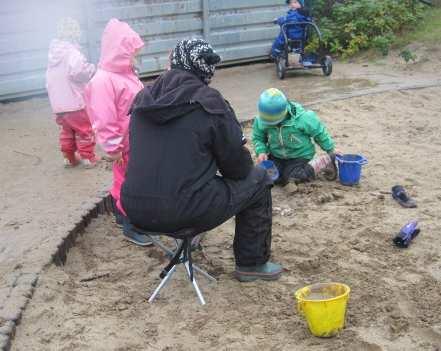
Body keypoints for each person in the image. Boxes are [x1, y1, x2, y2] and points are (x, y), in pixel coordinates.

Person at [121, 39, 283, 282]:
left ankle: (191, 236)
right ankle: (252, 263)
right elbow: (238, 170)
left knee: (186, 179)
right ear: (205, 70)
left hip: (135, 210)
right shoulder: (209, 102)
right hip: (183, 211)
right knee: (259, 178)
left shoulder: (143, 99)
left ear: (173, 63)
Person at [84, 18, 151, 246]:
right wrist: (113, 147)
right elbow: (104, 118)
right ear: (119, 51)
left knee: (128, 179)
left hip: (135, 140)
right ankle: (130, 224)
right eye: (132, 54)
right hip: (123, 146)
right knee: (127, 182)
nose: (135, 59)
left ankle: (123, 216)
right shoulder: (104, 81)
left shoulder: (125, 74)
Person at [252, 88, 338, 187]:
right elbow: (258, 137)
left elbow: (319, 132)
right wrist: (261, 151)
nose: (269, 125)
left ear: (283, 114)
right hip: (277, 156)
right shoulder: (261, 120)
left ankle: (324, 161)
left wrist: (330, 149)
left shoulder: (302, 118)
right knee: (271, 177)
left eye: (273, 122)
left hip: (299, 156)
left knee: (293, 177)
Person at [46, 17, 97, 168]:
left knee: (66, 131)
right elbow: (78, 71)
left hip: (59, 104)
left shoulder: (53, 54)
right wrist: (91, 69)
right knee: (84, 130)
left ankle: (68, 158)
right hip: (74, 101)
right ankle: (88, 157)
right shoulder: (72, 52)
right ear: (76, 34)